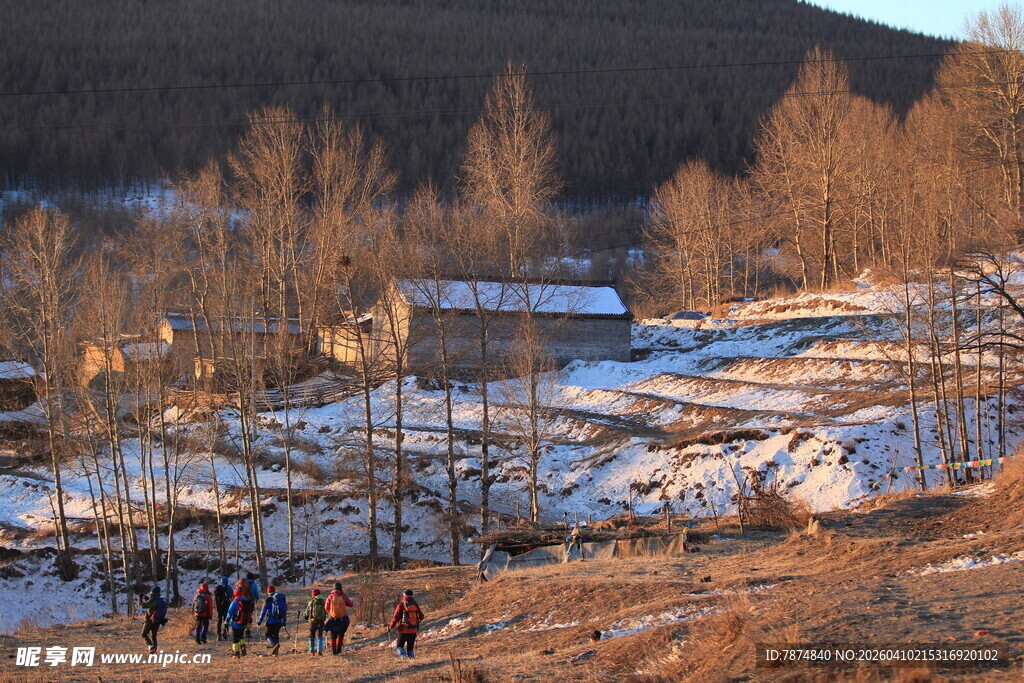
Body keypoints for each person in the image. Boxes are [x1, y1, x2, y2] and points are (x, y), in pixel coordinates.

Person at [388, 589, 424, 659]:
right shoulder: (415, 605)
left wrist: (390, 626)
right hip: (413, 629)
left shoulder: (401, 605)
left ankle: (403, 657)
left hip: (403, 629)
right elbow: (421, 616)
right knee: (410, 648)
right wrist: (415, 621)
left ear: (404, 595)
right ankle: (411, 659)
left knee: (399, 646)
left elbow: (396, 617)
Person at [257, 585, 288, 656]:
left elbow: (263, 611)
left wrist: (260, 620)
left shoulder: (268, 600)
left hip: (271, 621)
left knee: (268, 636)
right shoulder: (280, 599)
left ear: (268, 591)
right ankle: (275, 652)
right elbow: (284, 611)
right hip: (279, 621)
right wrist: (284, 621)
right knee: (276, 635)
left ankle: (274, 645)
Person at [324, 582, 353, 655]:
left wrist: (332, 611)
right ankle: (339, 649)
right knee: (341, 634)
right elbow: (351, 604)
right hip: (342, 618)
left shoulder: (330, 596)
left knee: (333, 635)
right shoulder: (343, 596)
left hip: (333, 618)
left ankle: (333, 651)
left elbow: (326, 608)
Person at [225, 587, 254, 658]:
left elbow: (229, 613)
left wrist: (226, 621)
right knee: (241, 636)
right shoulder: (247, 602)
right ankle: (243, 645)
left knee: (235, 639)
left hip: (235, 623)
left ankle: (236, 654)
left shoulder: (234, 603)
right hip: (244, 623)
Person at [139, 585, 167, 655]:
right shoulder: (160, 601)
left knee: (144, 634)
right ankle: (154, 650)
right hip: (158, 620)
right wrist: (144, 597)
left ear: (152, 592)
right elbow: (151, 603)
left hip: (150, 619)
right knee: (153, 636)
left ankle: (151, 646)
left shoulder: (152, 600)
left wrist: (140, 599)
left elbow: (144, 605)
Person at [302, 588, 327, 656]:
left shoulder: (311, 602)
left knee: (311, 636)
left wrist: (301, 614)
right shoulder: (323, 602)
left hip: (312, 621)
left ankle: (312, 650)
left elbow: (307, 613)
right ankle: (319, 649)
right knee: (320, 636)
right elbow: (326, 612)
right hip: (321, 621)